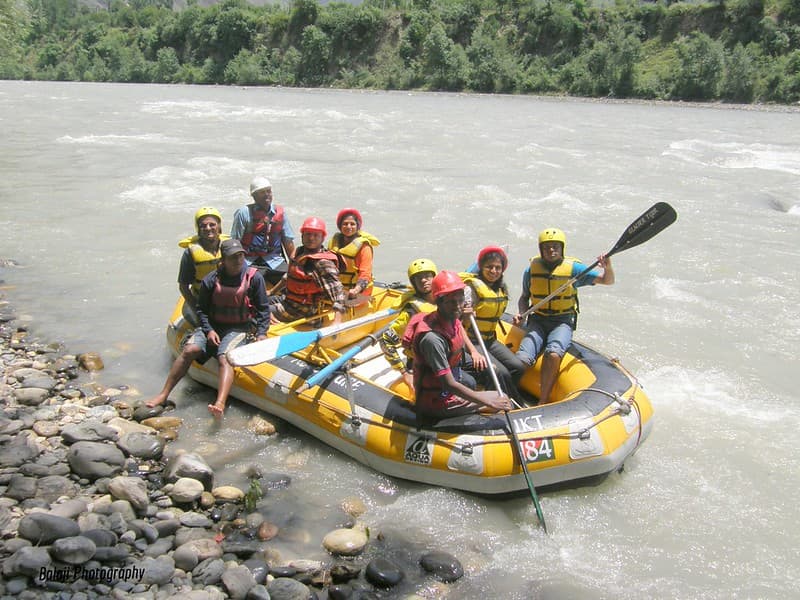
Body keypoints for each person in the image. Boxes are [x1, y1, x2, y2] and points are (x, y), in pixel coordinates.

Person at [147, 239, 270, 418]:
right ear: (223, 260)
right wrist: (209, 330)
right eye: (233, 257)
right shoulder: (211, 279)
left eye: (241, 256)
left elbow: (263, 309)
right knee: (190, 350)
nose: (238, 260)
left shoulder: (254, 278)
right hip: (213, 325)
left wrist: (261, 333)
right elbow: (202, 310)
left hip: (239, 328)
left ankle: (220, 403)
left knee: (224, 358)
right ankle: (163, 394)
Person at [513, 228, 615, 404]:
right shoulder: (531, 270)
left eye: (555, 247)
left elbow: (607, 280)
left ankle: (543, 400)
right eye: (547, 247)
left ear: (562, 248)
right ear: (541, 250)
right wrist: (522, 313)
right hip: (538, 320)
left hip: (562, 321)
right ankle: (509, 393)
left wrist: (608, 266)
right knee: (522, 358)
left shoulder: (574, 269)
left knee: (553, 354)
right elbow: (524, 297)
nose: (551, 250)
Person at [402, 271, 512, 420]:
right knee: (497, 398)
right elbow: (448, 384)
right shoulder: (432, 340)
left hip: (451, 379)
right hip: (437, 401)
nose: (458, 306)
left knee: (494, 379)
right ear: (439, 302)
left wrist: (474, 352)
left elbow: (458, 332)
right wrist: (487, 401)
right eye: (452, 302)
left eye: (460, 300)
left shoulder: (451, 318)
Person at [460, 246, 526, 400]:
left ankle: (506, 396)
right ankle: (501, 401)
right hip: (472, 340)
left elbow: (495, 315)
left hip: (490, 340)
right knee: (500, 372)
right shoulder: (471, 290)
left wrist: (517, 319)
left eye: (498, 268)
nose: (493, 271)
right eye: (489, 267)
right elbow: (457, 325)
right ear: (481, 268)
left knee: (518, 367)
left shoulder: (501, 289)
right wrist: (473, 351)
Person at [272, 216, 347, 326]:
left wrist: (337, 321)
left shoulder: (323, 263)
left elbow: (338, 292)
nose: (311, 238)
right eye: (308, 234)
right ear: (302, 236)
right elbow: (289, 276)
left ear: (322, 238)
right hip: (289, 301)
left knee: (257, 312)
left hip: (303, 310)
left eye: (316, 235)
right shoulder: (300, 252)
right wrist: (272, 292)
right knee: (257, 301)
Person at [379, 258, 439, 391]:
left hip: (444, 359)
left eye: (427, 276)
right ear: (414, 283)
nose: (423, 280)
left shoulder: (445, 301)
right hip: (422, 364)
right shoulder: (411, 312)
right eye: (418, 278)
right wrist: (404, 372)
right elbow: (385, 339)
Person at [230, 177, 296, 287]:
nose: (266, 195)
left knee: (293, 282)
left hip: (275, 260)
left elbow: (288, 241)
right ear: (254, 196)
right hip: (249, 261)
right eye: (262, 192)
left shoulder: (280, 213)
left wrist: (296, 266)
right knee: (250, 284)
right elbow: (235, 242)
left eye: (268, 191)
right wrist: (234, 266)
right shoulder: (243, 213)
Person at [177, 207, 228, 326]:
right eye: (203, 226)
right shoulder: (190, 253)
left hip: (226, 296)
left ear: (219, 226)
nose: (208, 228)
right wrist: (197, 310)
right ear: (198, 229)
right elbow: (183, 287)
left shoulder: (228, 247)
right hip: (201, 299)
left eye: (212, 224)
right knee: (203, 325)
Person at [328, 208, 380, 306]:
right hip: (339, 289)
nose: (348, 227)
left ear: (357, 226)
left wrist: (356, 290)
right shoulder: (334, 242)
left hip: (358, 292)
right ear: (340, 226)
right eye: (345, 224)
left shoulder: (364, 247)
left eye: (352, 224)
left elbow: (365, 274)